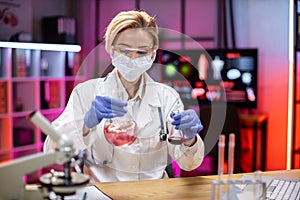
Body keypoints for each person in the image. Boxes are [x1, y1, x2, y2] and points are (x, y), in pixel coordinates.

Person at [44, 10, 205, 182]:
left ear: (153, 54)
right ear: (111, 50)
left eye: (141, 52)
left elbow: (189, 164)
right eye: (124, 50)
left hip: (153, 193)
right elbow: (52, 151)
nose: (132, 58)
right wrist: (85, 124)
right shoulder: (86, 93)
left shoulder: (167, 98)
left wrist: (190, 139)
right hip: (102, 193)